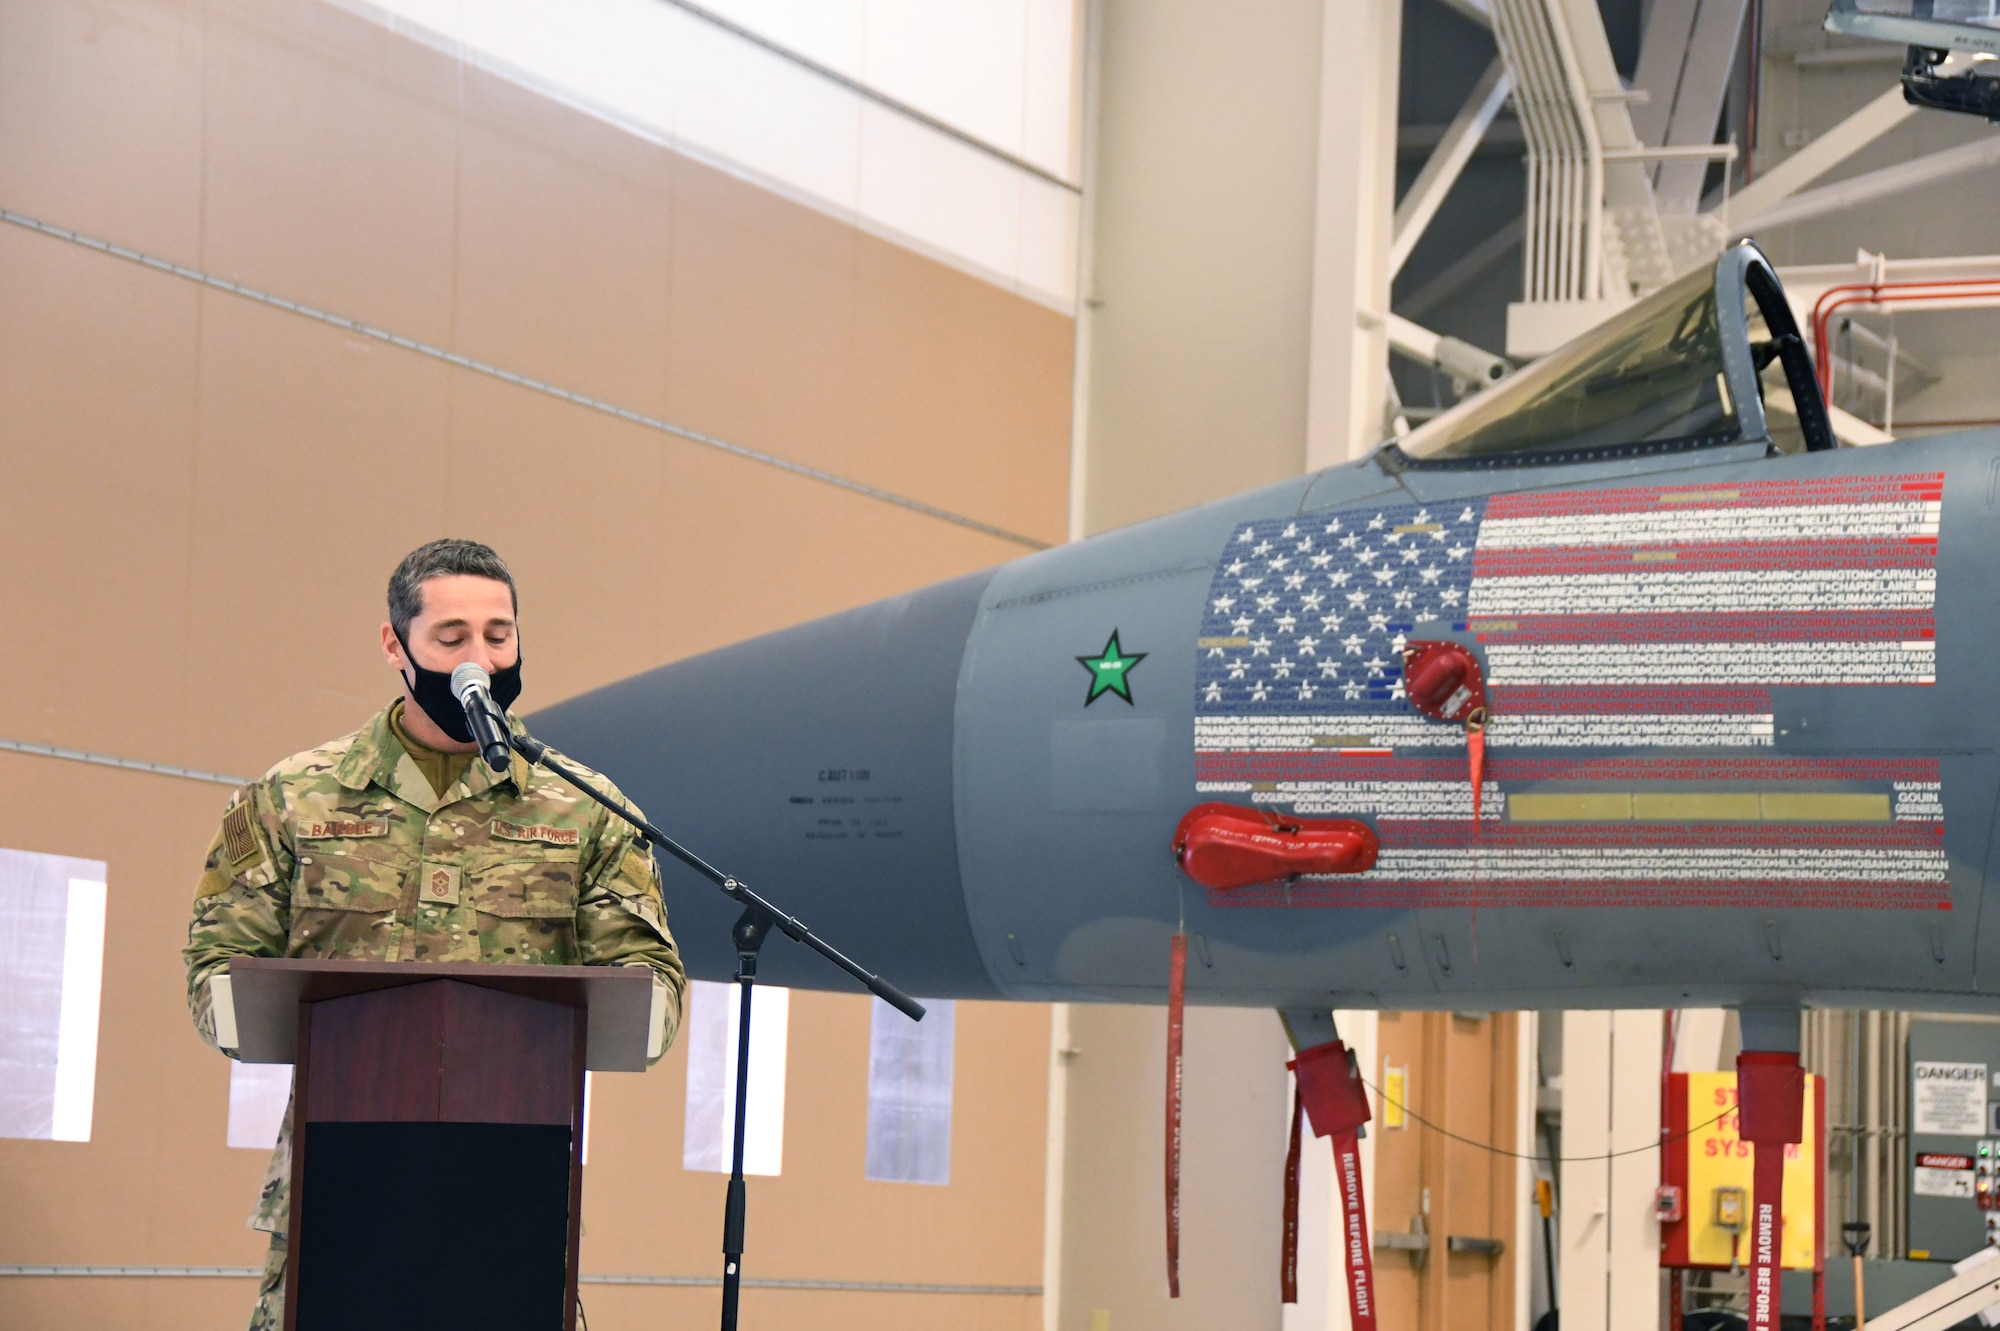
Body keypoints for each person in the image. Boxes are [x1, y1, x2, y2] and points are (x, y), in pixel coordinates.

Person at [183, 538, 686, 1331]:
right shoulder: (294, 796)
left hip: (516, 1190)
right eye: (451, 639)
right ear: (396, 644)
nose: (480, 659)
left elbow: (649, 984)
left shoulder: (587, 807)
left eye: (499, 635)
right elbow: (215, 970)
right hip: (338, 1181)